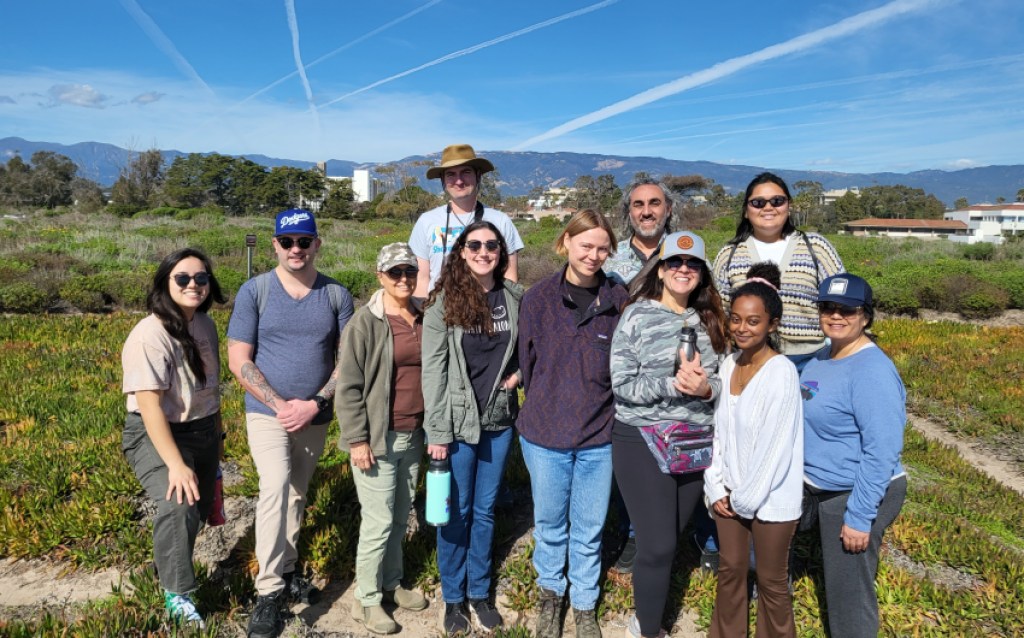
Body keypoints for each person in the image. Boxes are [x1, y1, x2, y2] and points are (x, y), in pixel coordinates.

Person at [227, 209, 354, 638]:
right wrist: (282, 404)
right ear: (274, 245)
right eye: (287, 242)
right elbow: (238, 359)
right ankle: (268, 592)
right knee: (275, 484)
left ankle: (288, 565)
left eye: (304, 241)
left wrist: (314, 403)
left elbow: (347, 360)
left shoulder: (337, 294)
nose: (296, 249)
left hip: (315, 414)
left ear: (318, 244)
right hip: (266, 412)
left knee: (298, 493)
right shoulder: (255, 291)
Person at [610, 231, 728, 638]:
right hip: (642, 438)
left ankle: (646, 616)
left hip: (694, 443)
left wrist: (706, 388)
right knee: (657, 546)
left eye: (692, 264)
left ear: (702, 273)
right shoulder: (637, 315)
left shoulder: (712, 319)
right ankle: (646, 630)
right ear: (660, 270)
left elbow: (723, 380)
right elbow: (621, 384)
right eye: (674, 263)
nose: (683, 269)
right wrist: (673, 385)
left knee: (670, 538)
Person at [517, 209, 629, 638]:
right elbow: (527, 366)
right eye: (586, 245)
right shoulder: (538, 299)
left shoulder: (619, 301)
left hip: (599, 437)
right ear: (565, 242)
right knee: (549, 525)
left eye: (603, 248)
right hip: (545, 434)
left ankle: (584, 605)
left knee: (588, 527)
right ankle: (550, 597)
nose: (594, 255)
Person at [603, 177, 719, 574]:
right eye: (638, 205)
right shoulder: (612, 260)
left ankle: (696, 538)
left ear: (669, 209)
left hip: (686, 404)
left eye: (655, 203)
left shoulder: (687, 252)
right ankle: (634, 537)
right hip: (631, 378)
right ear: (629, 212)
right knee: (634, 472)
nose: (647, 211)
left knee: (690, 464)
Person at [422, 221, 523, 635]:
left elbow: (530, 349)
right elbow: (434, 374)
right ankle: (453, 599)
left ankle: (478, 593)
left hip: (498, 422)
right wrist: (437, 433)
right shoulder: (442, 305)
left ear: (501, 252)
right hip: (457, 427)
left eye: (492, 245)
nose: (484, 251)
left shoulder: (515, 298)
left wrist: (517, 375)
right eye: (475, 245)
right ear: (461, 251)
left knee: (483, 512)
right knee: (455, 514)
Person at [121, 247, 227, 629]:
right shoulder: (149, 335)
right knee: (178, 502)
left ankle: (167, 564)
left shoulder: (205, 324)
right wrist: (177, 465)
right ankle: (176, 593)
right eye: (182, 278)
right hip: (157, 432)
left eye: (201, 278)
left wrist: (217, 439)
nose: (193, 285)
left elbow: (209, 389)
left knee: (197, 512)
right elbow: (150, 407)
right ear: (165, 282)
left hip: (202, 428)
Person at [800, 274, 907, 638]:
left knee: (847, 592)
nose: (836, 315)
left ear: (865, 316)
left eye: (848, 309)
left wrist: (860, 516)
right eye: (828, 307)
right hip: (815, 485)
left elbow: (882, 450)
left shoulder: (872, 370)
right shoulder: (821, 357)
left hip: (853, 491)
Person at [703, 262, 803, 638]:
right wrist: (716, 487)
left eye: (754, 321)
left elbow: (775, 450)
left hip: (771, 502)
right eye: (736, 319)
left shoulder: (781, 373)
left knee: (771, 581)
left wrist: (741, 500)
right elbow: (718, 435)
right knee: (730, 571)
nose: (742, 328)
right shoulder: (729, 364)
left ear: (772, 325)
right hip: (728, 495)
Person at [336, 243, 429, 635]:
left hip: (415, 434)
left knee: (397, 516)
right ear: (380, 277)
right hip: (378, 439)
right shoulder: (364, 323)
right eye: (395, 273)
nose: (403, 279)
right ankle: (366, 599)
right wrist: (357, 440)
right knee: (376, 522)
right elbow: (349, 387)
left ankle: (392, 583)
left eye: (409, 271)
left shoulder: (426, 315)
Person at [712, 172, 845, 372]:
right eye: (758, 202)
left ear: (788, 206)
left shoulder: (816, 247)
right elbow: (719, 312)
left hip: (809, 361)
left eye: (777, 201)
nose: (768, 207)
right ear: (746, 210)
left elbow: (843, 301)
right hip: (749, 359)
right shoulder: (729, 254)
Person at [409, 143, 525, 297]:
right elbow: (422, 278)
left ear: (478, 176)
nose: (459, 181)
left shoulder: (501, 221)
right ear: (443, 181)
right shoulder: (427, 221)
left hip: (490, 311)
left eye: (466, 172)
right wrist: (424, 315)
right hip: (440, 315)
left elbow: (510, 275)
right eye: (451, 174)